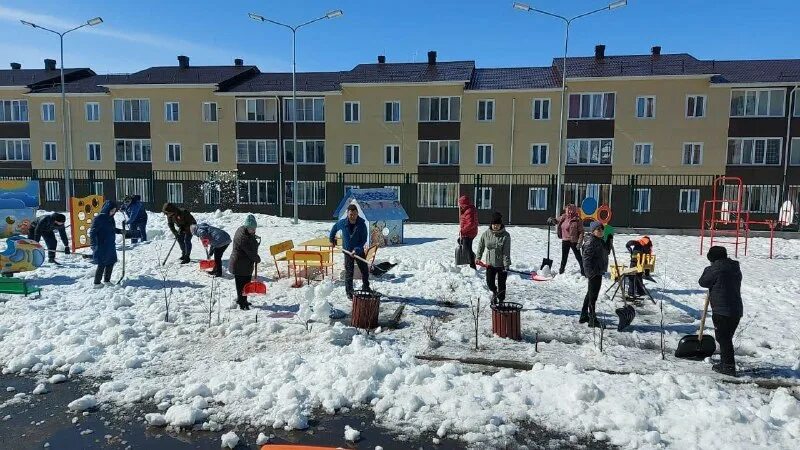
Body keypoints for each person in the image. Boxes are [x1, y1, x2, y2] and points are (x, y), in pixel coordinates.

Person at [699, 246, 743, 377]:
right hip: (736, 309)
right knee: (726, 338)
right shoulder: (735, 268)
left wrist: (708, 270)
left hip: (722, 310)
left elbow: (703, 282)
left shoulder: (715, 269)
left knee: (723, 339)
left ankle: (728, 366)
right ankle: (726, 363)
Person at [329, 204, 369, 299]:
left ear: (357, 214)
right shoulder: (343, 223)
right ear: (347, 213)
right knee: (349, 272)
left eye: (354, 214)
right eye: (351, 214)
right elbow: (334, 228)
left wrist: (357, 249)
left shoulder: (361, 225)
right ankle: (349, 292)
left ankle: (366, 286)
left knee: (364, 270)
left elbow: (363, 240)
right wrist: (331, 239)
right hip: (347, 252)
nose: (352, 216)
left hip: (358, 251)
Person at [476, 212, 511, 305]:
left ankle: (501, 300)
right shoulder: (486, 234)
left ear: (501, 224)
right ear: (491, 224)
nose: (496, 226)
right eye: (494, 224)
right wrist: (478, 257)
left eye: (498, 224)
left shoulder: (506, 235)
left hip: (501, 264)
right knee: (489, 283)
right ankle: (494, 293)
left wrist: (506, 265)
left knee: (502, 284)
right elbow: (481, 246)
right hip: (490, 264)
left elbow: (506, 251)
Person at [581, 221, 611, 327]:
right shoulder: (591, 242)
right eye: (598, 229)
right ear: (593, 231)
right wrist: (590, 273)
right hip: (594, 272)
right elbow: (586, 259)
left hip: (598, 271)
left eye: (602, 229)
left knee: (590, 294)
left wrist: (609, 240)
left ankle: (584, 315)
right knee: (593, 297)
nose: (601, 231)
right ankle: (592, 320)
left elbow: (607, 251)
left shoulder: (600, 241)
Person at [228, 214, 261, 310]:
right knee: (242, 284)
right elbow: (250, 253)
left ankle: (243, 300)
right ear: (246, 227)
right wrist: (257, 258)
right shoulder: (243, 238)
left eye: (254, 229)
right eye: (251, 229)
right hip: (239, 264)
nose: (253, 231)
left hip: (243, 263)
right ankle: (242, 303)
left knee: (245, 284)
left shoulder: (242, 229)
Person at [88, 201, 122, 288]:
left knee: (111, 261)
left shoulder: (111, 218)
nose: (113, 212)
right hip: (101, 245)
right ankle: (97, 283)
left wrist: (120, 231)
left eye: (114, 211)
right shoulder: (99, 218)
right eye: (111, 210)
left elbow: (112, 229)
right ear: (107, 209)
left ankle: (107, 280)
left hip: (110, 244)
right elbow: (92, 232)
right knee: (102, 263)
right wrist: (93, 244)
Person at [556, 204, 585, 276]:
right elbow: (556, 220)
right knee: (564, 257)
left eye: (571, 209)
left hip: (574, 241)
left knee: (578, 256)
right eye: (568, 209)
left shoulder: (577, 219)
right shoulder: (563, 217)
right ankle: (561, 271)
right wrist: (551, 220)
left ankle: (584, 271)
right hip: (565, 240)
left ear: (574, 210)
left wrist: (579, 242)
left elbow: (581, 232)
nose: (569, 211)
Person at [458, 195, 478, 269]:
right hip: (466, 232)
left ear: (464, 204)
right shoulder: (465, 210)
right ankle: (472, 256)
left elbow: (471, 224)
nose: (460, 206)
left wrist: (462, 230)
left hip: (470, 232)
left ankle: (472, 265)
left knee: (467, 248)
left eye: (461, 205)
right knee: (461, 242)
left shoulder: (469, 211)